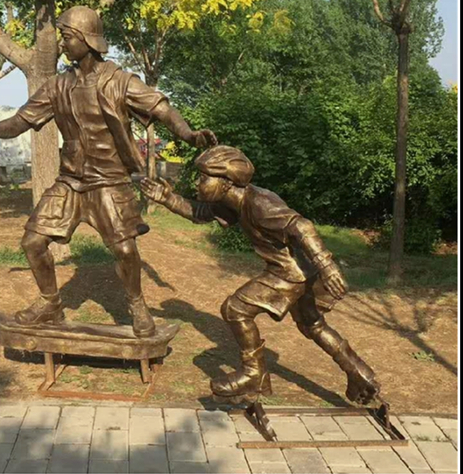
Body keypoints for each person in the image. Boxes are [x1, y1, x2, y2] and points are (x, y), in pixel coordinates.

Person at [0, 5, 216, 339]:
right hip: (70, 182)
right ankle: (50, 304)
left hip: (109, 182)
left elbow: (162, 109)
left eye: (67, 37)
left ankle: (137, 305)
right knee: (33, 242)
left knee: (125, 250)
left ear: (86, 39)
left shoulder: (120, 82)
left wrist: (189, 135)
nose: (62, 44)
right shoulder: (57, 86)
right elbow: (19, 122)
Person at [140, 145, 380, 404]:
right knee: (313, 325)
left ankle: (254, 374)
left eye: (203, 177)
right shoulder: (232, 201)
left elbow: (301, 226)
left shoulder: (259, 202)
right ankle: (359, 372)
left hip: (290, 272)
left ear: (226, 181)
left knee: (235, 309)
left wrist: (328, 266)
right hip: (300, 270)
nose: (197, 183)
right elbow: (199, 212)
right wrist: (167, 198)